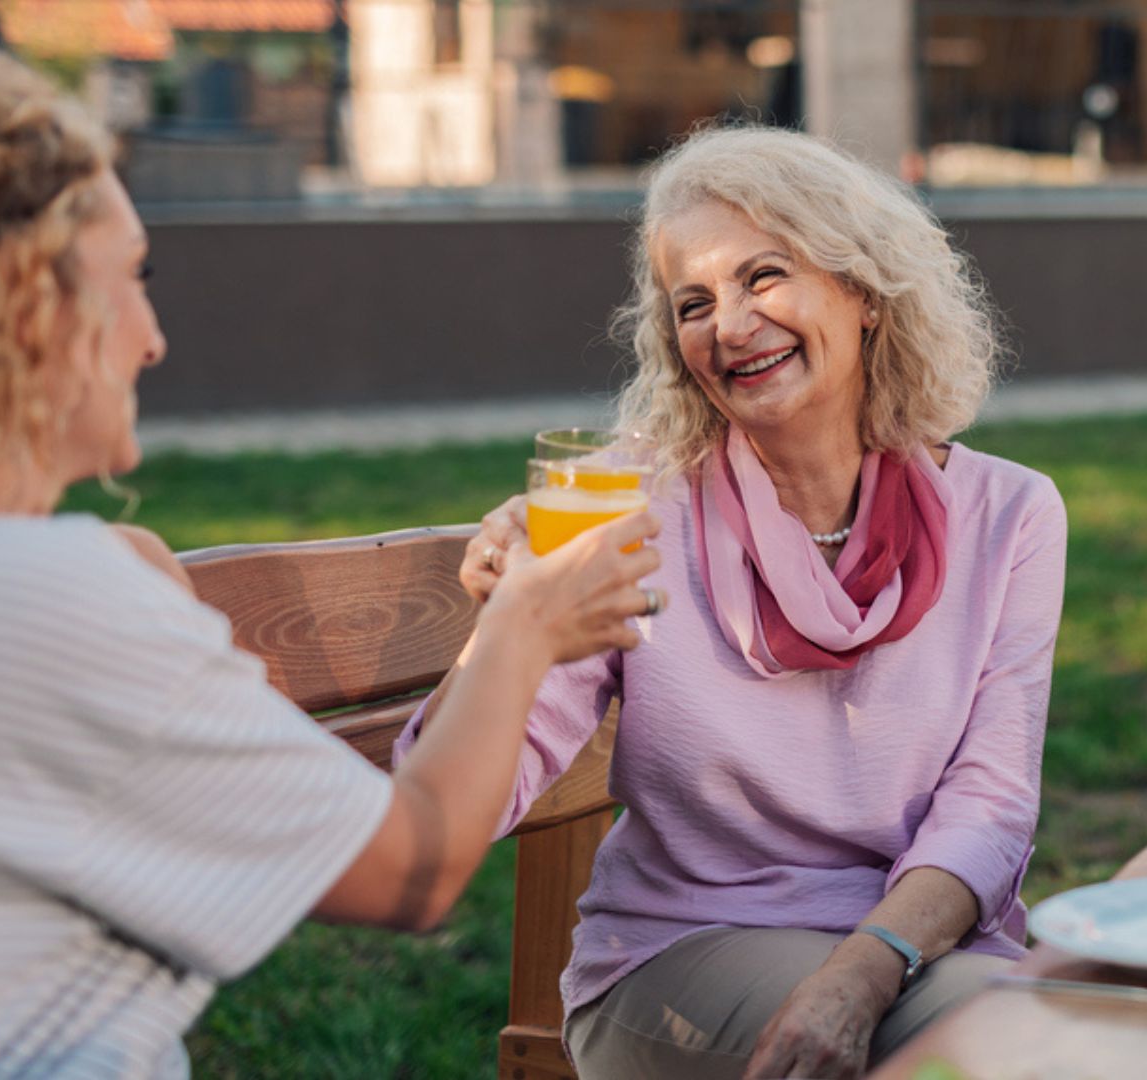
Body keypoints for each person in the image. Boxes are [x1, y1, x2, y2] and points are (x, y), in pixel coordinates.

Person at [0, 37, 662, 1079]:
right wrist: (523, 628)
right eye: (131, 278)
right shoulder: (38, 597)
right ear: (25, 310)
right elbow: (412, 874)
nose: (151, 338)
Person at [403, 125, 1067, 1078]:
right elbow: (465, 797)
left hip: (912, 949)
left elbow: (993, 802)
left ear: (864, 289)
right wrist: (516, 617)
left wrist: (861, 972)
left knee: (1058, 1034)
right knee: (997, 1048)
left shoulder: (1010, 513)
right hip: (679, 956)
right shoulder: (621, 507)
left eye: (764, 277)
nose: (731, 326)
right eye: (695, 303)